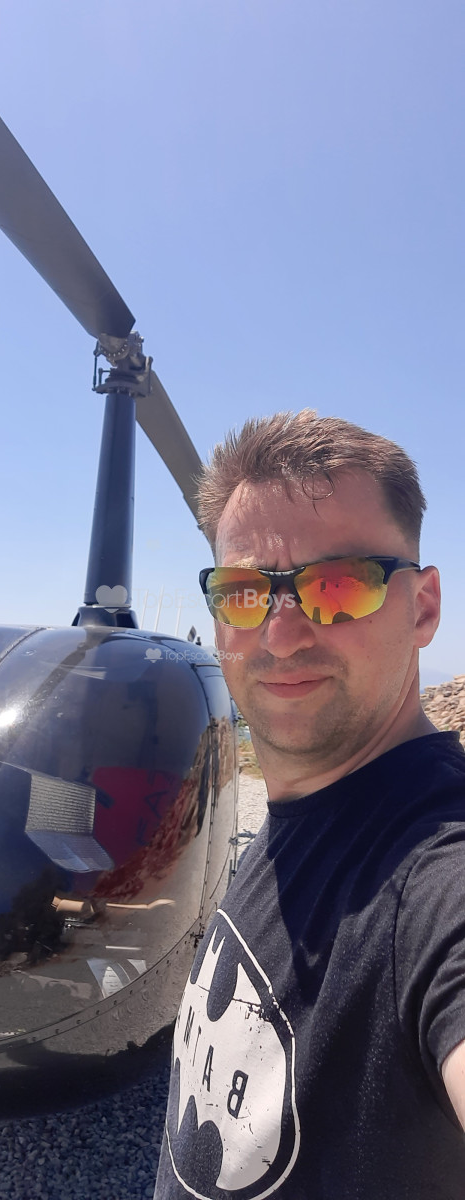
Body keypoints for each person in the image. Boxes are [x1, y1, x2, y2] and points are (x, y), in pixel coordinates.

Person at [154, 410, 465, 1199]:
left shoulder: (436, 870)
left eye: (339, 585)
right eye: (244, 593)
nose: (280, 635)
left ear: (424, 607)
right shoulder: (304, 813)